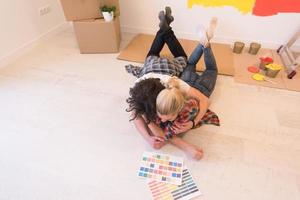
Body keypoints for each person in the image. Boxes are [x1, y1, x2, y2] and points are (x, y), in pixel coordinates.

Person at [126, 7, 219, 160]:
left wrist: (193, 123)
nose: (161, 121)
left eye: (165, 117)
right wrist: (148, 137)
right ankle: (165, 27)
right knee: (156, 55)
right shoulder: (143, 98)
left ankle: (165, 27)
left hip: (162, 71)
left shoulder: (173, 83)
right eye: (161, 117)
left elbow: (204, 100)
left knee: (184, 59)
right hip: (148, 68)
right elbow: (136, 115)